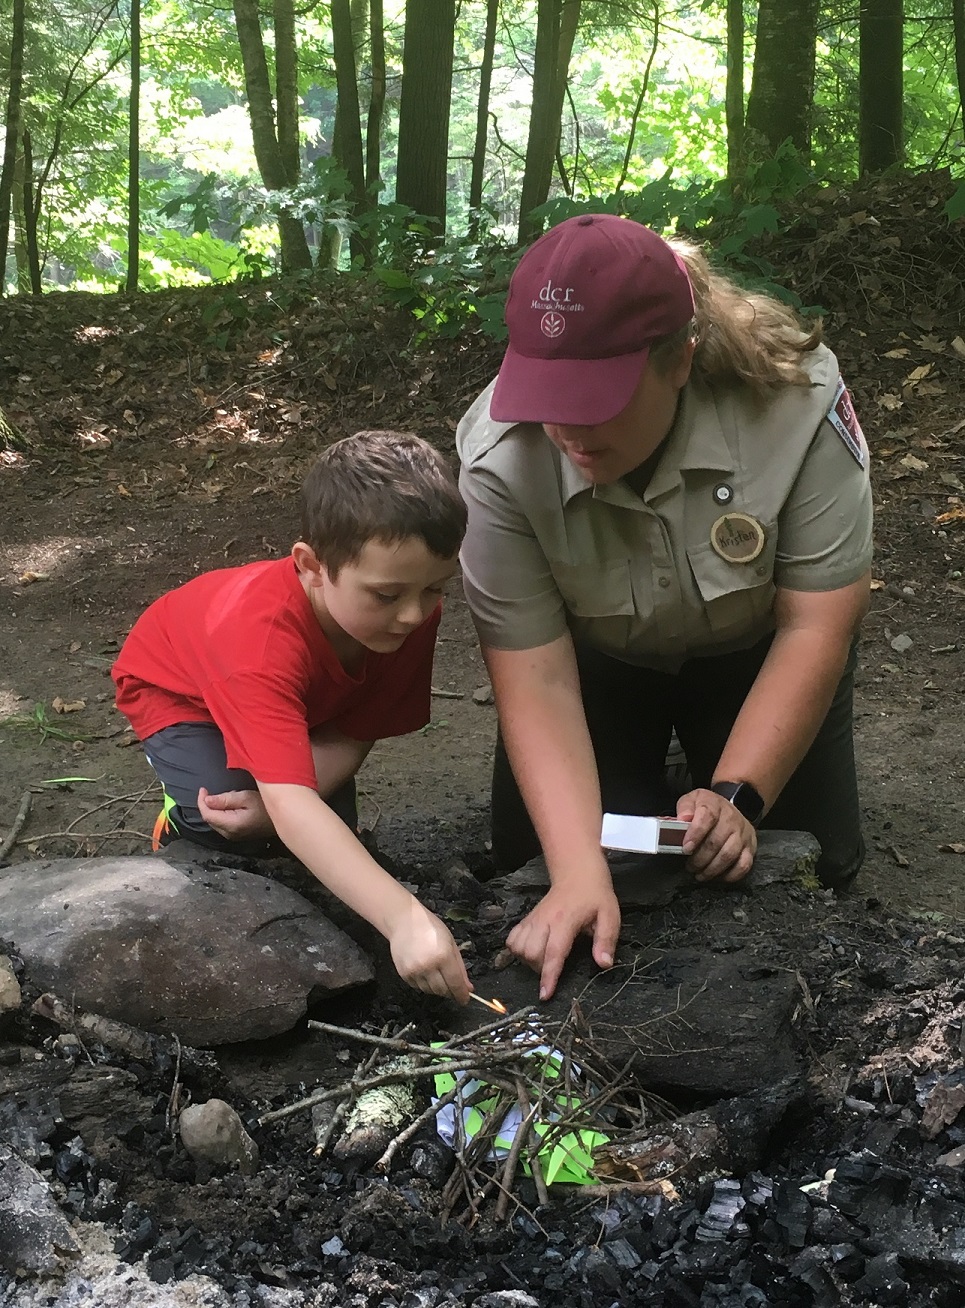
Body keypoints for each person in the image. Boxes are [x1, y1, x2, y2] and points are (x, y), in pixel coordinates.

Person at [457, 213, 873, 1001]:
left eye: (596, 399)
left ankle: (704, 767)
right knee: (531, 861)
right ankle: (641, 779)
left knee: (812, 858)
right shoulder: (497, 460)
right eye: (550, 395)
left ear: (678, 359)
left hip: (754, 655)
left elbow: (816, 623)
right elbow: (535, 677)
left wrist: (735, 796)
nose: (567, 428)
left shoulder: (794, 401)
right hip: (598, 668)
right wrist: (575, 871)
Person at [112, 429, 472, 1004]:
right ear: (312, 566)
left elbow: (356, 728)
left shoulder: (405, 611)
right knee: (224, 814)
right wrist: (405, 917)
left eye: (434, 589)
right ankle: (177, 828)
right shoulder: (258, 645)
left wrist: (287, 810)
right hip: (182, 692)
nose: (413, 614)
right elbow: (294, 804)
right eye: (387, 595)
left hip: (304, 696)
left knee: (316, 833)